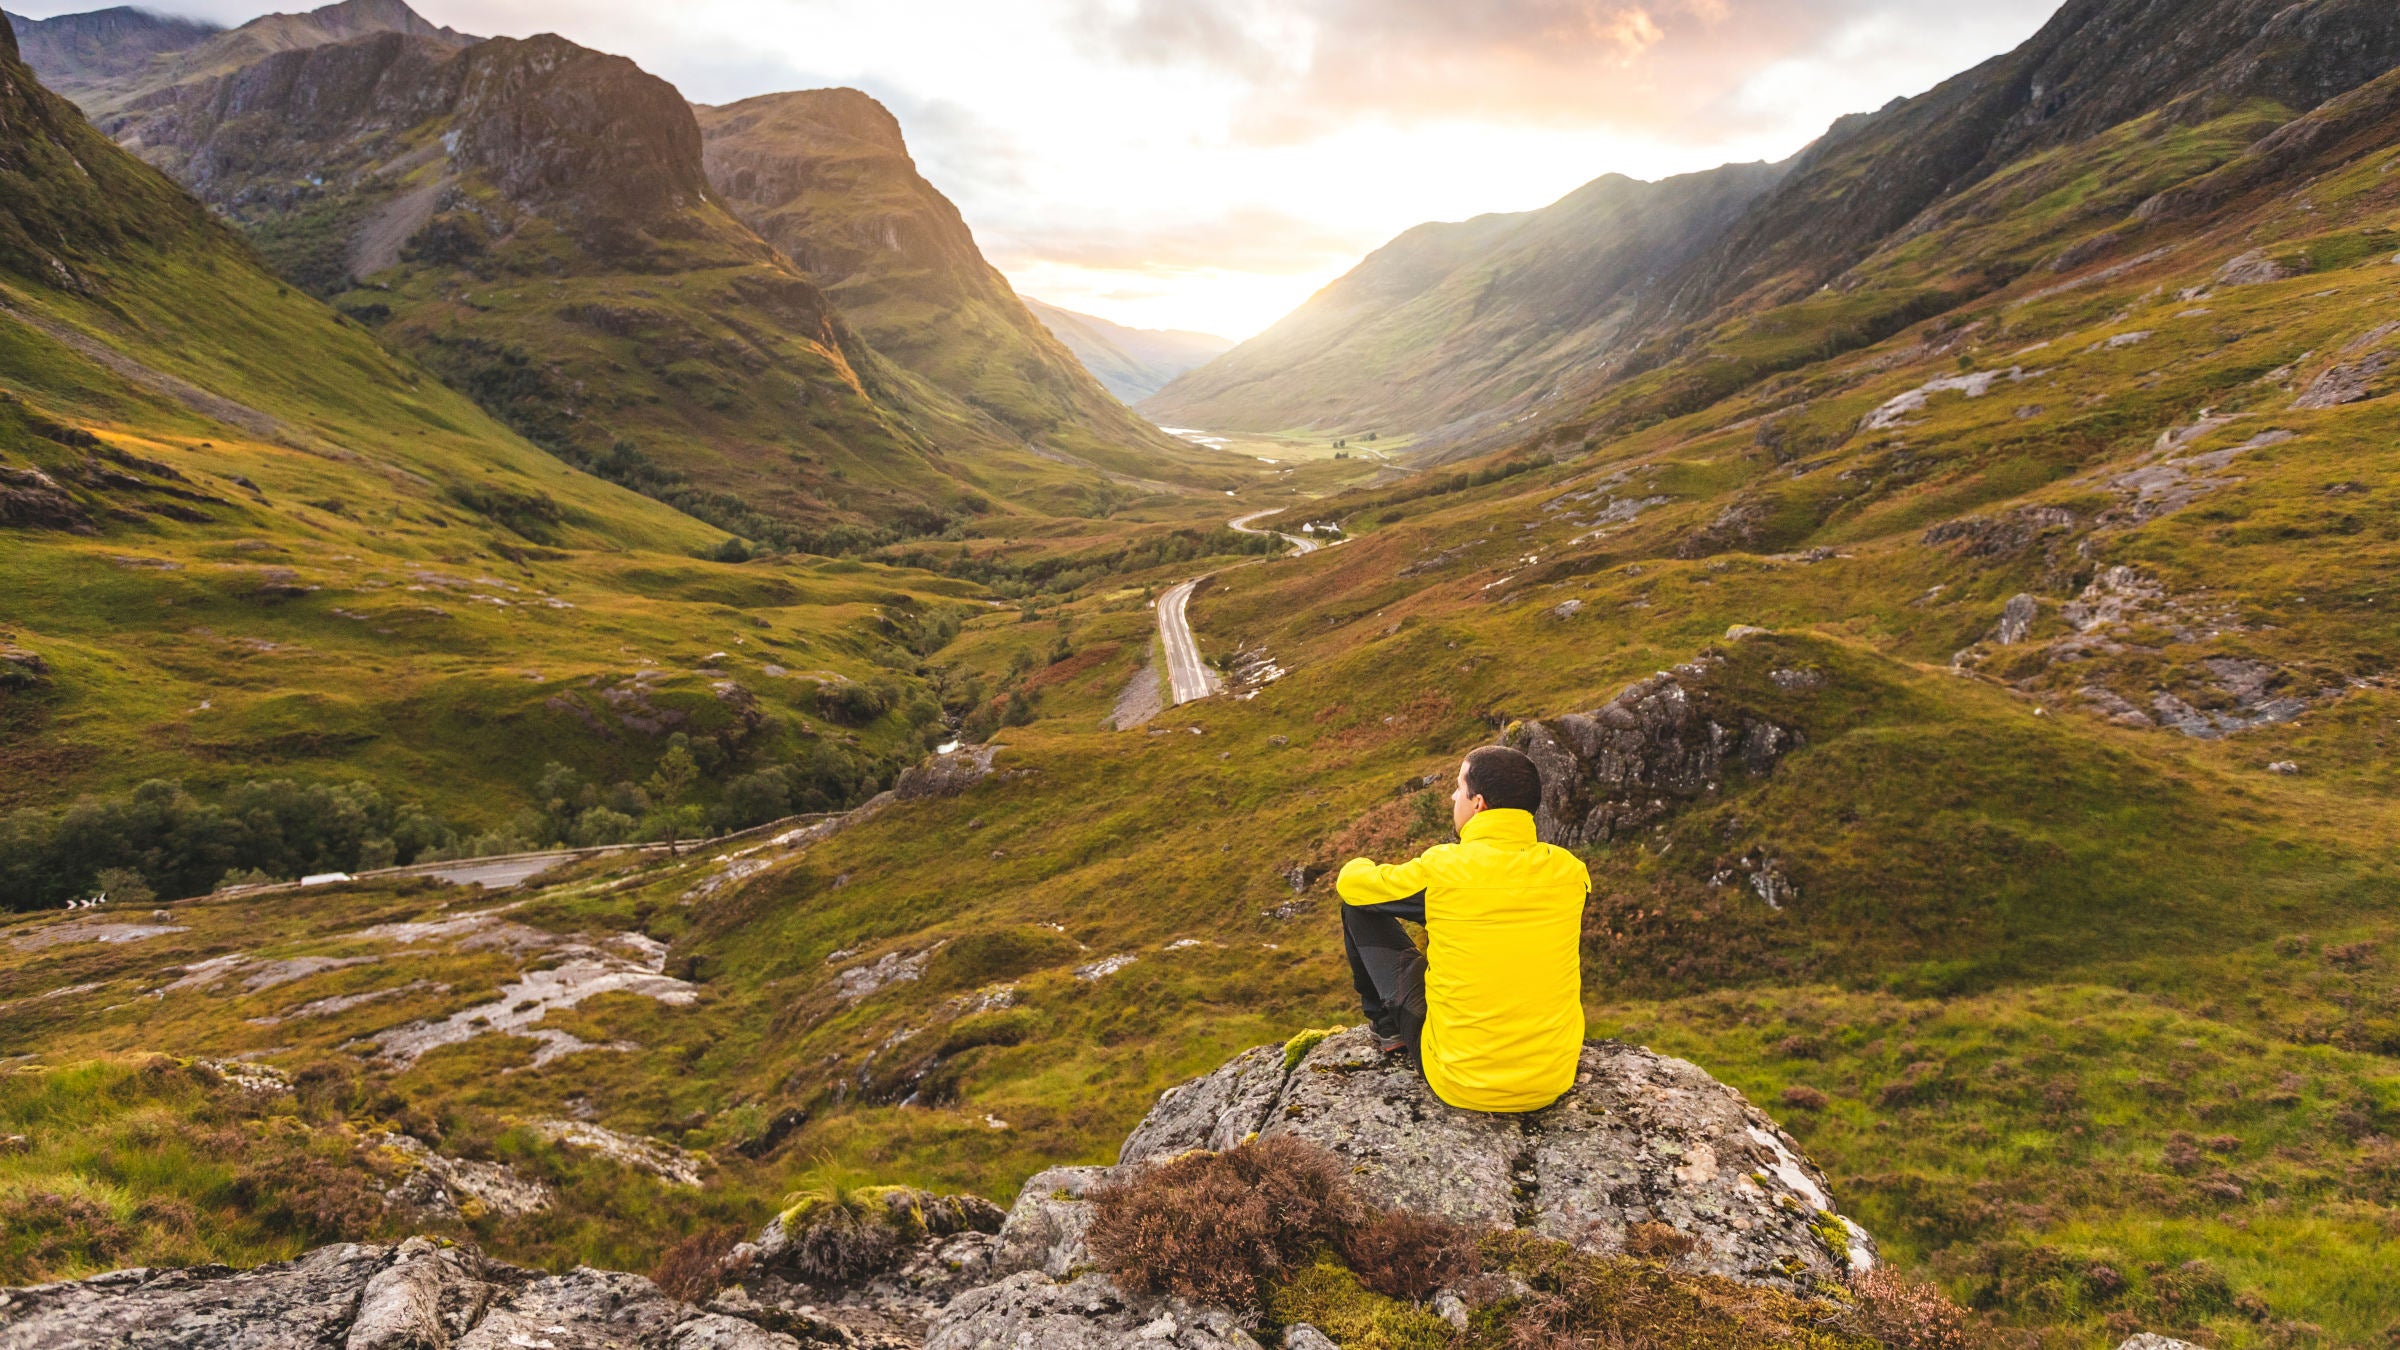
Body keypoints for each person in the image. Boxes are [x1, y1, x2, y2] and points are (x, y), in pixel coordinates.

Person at [1337, 745, 1590, 1114]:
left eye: (1459, 787)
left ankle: (1388, 1031)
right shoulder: (1570, 873)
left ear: (1479, 804)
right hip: (1552, 1078)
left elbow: (1353, 887)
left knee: (1357, 911)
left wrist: (1359, 860)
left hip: (1459, 1080)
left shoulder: (1444, 869)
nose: (1454, 796)